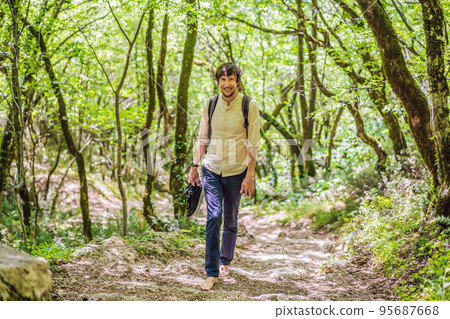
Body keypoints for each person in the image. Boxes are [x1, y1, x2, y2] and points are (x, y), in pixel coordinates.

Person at [188, 62, 260, 291]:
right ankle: (211, 272)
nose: (227, 84)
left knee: (230, 219)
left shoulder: (249, 105)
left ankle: (225, 261)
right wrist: (194, 166)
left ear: (237, 81)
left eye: (231, 79)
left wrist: (250, 176)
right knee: (213, 216)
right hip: (211, 168)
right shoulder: (210, 104)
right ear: (218, 81)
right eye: (223, 80)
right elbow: (202, 137)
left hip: (237, 171)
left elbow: (254, 143)